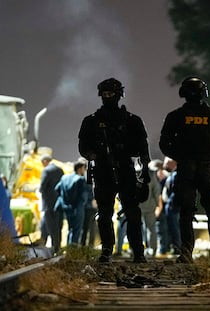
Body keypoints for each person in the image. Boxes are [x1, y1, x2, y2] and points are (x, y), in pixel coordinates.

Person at [159, 77, 210, 263]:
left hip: (185, 169)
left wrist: (180, 157)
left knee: (186, 211)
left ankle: (186, 252)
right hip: (206, 168)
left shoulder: (175, 116)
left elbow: (164, 143)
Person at [78, 77, 151, 263]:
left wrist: (145, 175)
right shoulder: (91, 121)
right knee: (104, 214)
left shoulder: (132, 121)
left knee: (133, 213)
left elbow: (143, 149)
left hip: (125, 170)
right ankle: (107, 249)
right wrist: (95, 155)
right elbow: (83, 147)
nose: (107, 97)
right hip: (103, 171)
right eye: (104, 94)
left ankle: (138, 251)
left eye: (110, 94)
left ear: (119, 95)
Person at [55, 160, 88, 245]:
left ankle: (68, 249)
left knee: (70, 229)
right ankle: (72, 251)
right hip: (78, 208)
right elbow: (83, 195)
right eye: (84, 168)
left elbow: (57, 188)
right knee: (76, 230)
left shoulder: (64, 177)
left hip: (66, 207)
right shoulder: (80, 179)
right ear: (80, 168)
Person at [39, 154, 64, 253]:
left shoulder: (46, 171)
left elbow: (42, 187)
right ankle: (54, 246)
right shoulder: (60, 170)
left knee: (51, 226)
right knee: (55, 226)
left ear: (45, 161)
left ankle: (53, 248)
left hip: (48, 204)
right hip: (58, 203)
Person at [139, 161, 163, 257]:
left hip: (137, 206)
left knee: (137, 228)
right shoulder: (151, 175)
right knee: (151, 228)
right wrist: (158, 205)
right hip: (150, 206)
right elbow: (156, 191)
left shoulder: (134, 173)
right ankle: (152, 250)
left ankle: (137, 249)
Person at [162, 157, 181, 254]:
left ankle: (177, 247)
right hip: (172, 206)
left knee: (174, 228)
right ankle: (175, 246)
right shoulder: (175, 175)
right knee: (174, 228)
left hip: (172, 206)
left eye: (167, 163)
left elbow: (170, 190)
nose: (164, 165)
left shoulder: (175, 175)